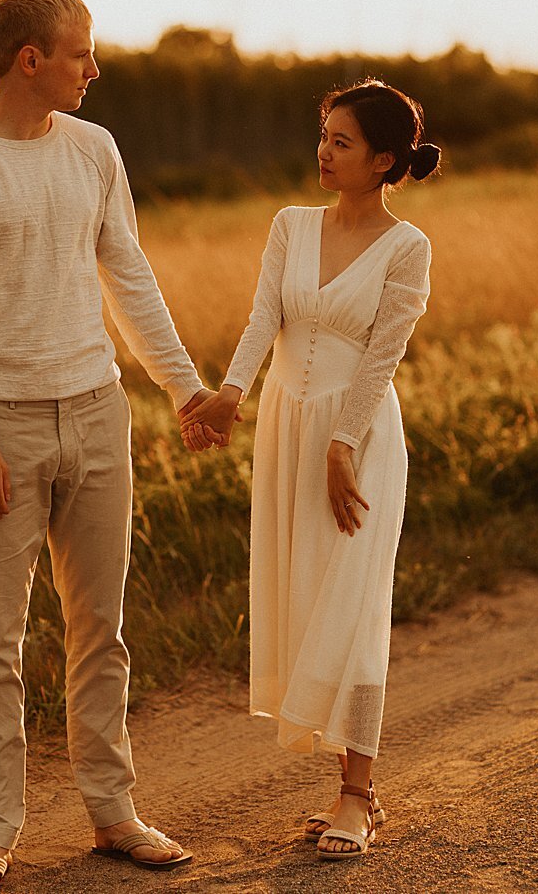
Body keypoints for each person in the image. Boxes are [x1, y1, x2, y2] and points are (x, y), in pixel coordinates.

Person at [0, 0, 206, 894]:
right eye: (80, 52)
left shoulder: (95, 148)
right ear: (29, 59)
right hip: (2, 424)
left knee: (101, 628)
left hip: (98, 410)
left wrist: (185, 387)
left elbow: (129, 274)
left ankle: (114, 813)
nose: (94, 66)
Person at [180, 79, 439, 859]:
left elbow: (384, 354)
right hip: (286, 427)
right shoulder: (290, 225)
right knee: (307, 594)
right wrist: (230, 395)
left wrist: (343, 444)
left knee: (354, 602)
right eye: (323, 136)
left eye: (341, 142)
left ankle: (357, 795)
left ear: (383, 159)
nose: (323, 152)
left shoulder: (407, 247)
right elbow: (265, 316)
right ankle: (345, 782)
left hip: (354, 438)